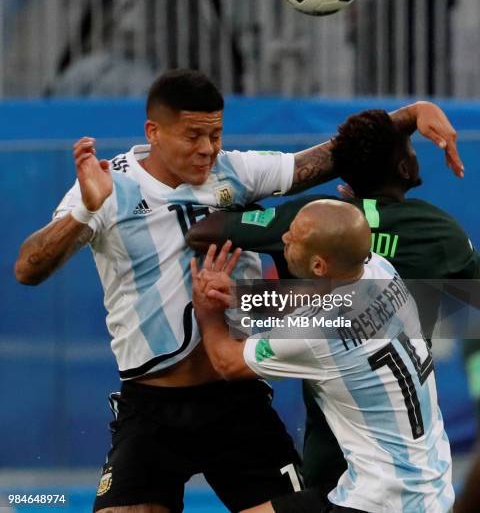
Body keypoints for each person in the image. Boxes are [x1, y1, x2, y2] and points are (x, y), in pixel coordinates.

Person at [14, 70, 461, 513]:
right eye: (193, 136)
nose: (208, 149)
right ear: (154, 131)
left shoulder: (237, 171)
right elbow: (27, 269)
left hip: (237, 403)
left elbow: (329, 157)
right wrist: (86, 213)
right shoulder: (106, 187)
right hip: (151, 406)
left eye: (216, 134)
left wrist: (410, 114)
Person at [186, 108, 480, 499]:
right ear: (403, 168)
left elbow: (203, 231)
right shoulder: (423, 243)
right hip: (408, 432)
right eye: (409, 148)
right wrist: (414, 112)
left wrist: (239, 300)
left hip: (332, 422)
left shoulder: (309, 224)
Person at [190, 202, 455, 513]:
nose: (284, 237)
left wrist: (208, 309)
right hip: (433, 486)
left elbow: (227, 362)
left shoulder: (315, 332)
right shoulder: (379, 269)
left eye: (294, 237)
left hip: (379, 501)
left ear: (318, 266)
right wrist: (241, 294)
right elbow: (319, 295)